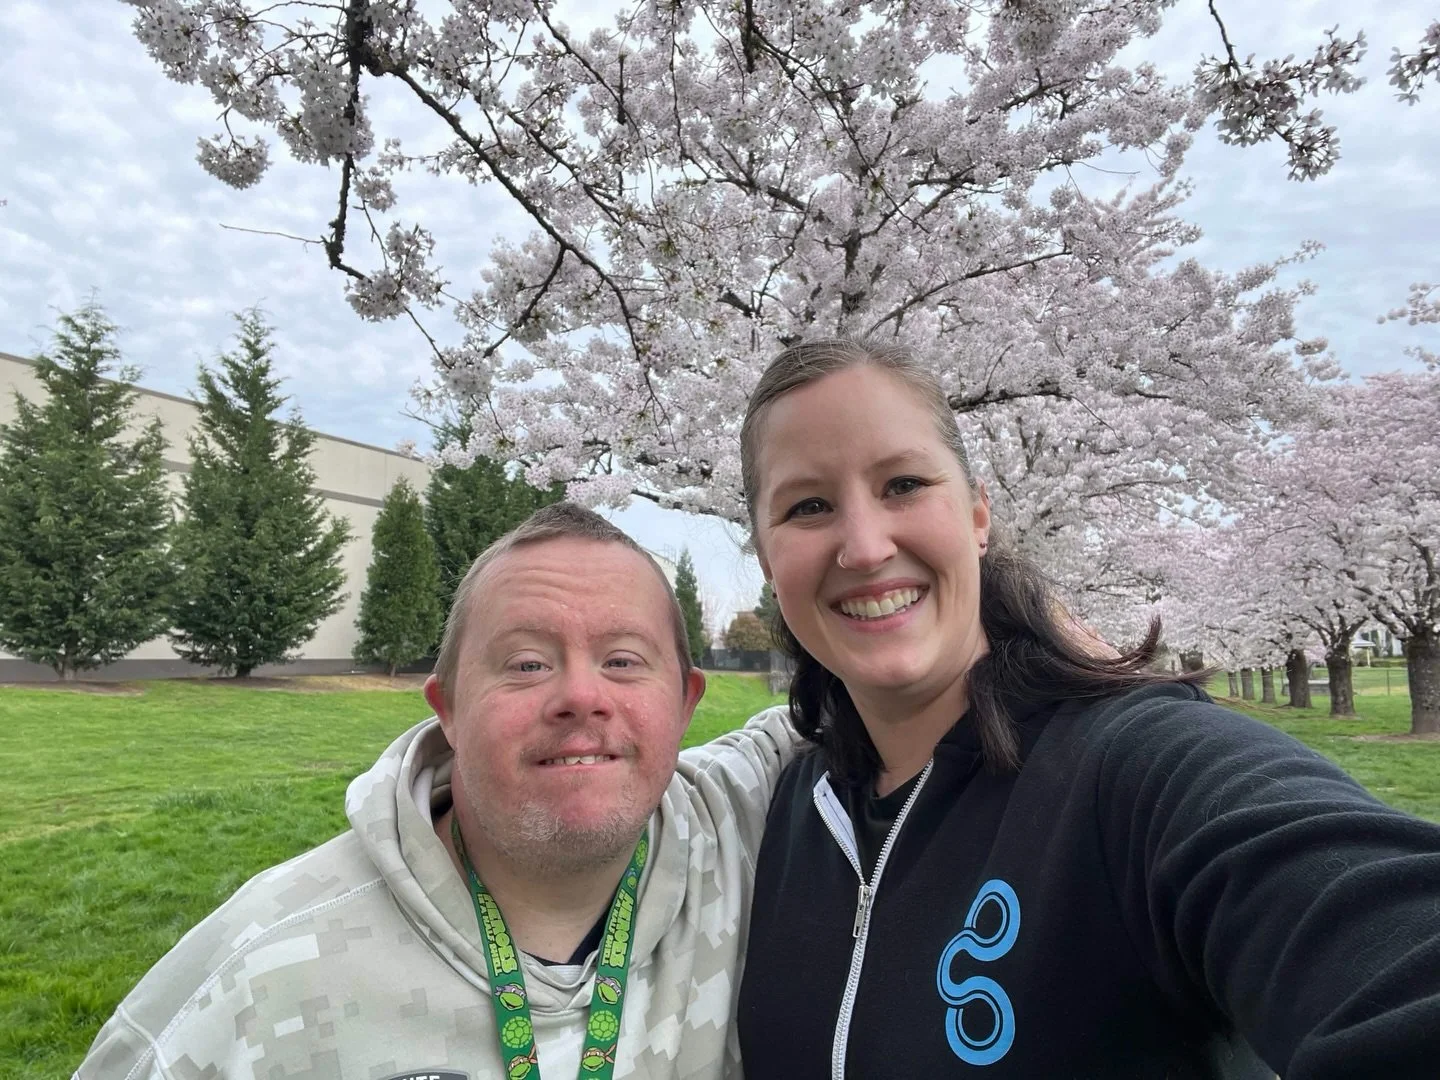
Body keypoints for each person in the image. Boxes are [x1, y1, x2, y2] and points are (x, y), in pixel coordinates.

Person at [733, 339, 1440, 1078]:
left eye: (904, 484)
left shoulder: (1134, 768)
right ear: (765, 558)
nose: (865, 546)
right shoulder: (789, 810)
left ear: (978, 516)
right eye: (808, 506)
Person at [75, 503, 797, 1080]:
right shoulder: (256, 973)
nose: (581, 696)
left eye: (622, 660)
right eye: (525, 664)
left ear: (685, 703)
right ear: (446, 708)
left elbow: (868, 692)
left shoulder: (732, 828)